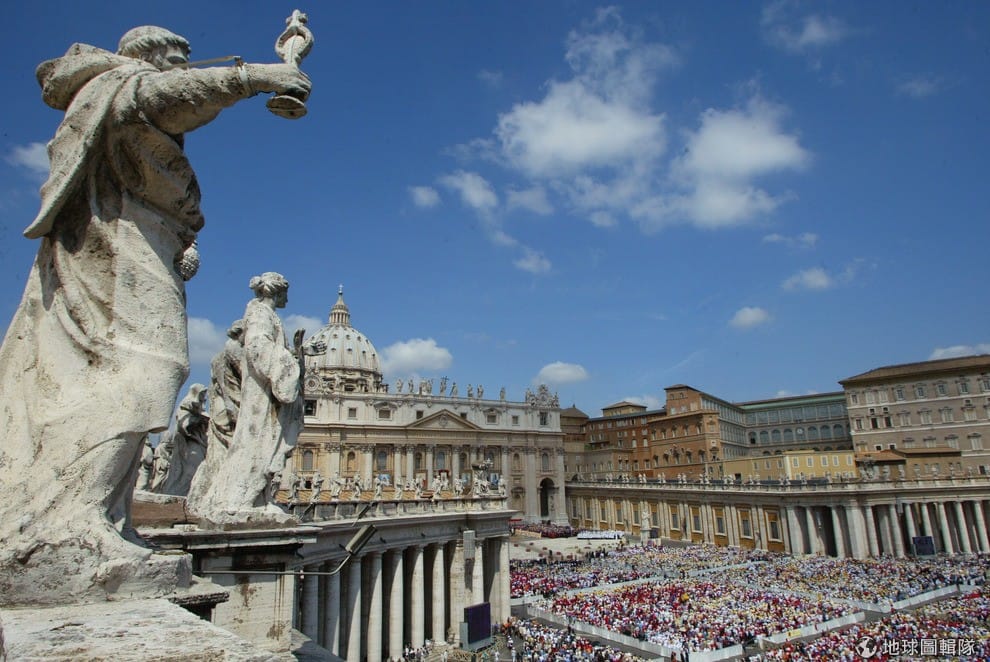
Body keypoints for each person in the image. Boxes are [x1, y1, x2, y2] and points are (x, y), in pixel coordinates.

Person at [0, 25, 311, 602]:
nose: (185, 69)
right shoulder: (120, 87)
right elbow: (170, 97)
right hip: (117, 256)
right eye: (180, 60)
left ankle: (91, 514)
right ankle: (68, 521)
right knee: (148, 367)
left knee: (134, 373)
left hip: (125, 249)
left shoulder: (110, 103)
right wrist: (258, 77)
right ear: (152, 57)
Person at [187, 272, 323, 522]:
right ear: (278, 292)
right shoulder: (260, 313)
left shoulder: (266, 314)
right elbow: (259, 349)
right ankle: (239, 500)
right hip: (263, 392)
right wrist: (286, 364)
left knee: (262, 445)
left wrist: (298, 351)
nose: (288, 299)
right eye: (286, 294)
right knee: (257, 443)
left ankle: (255, 498)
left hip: (267, 390)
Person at [153, 383, 209, 495]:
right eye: (202, 394)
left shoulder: (198, 407)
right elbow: (184, 424)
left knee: (195, 469)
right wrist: (199, 420)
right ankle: (178, 492)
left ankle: (187, 492)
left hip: (199, 442)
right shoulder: (186, 405)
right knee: (190, 470)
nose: (204, 397)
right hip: (188, 444)